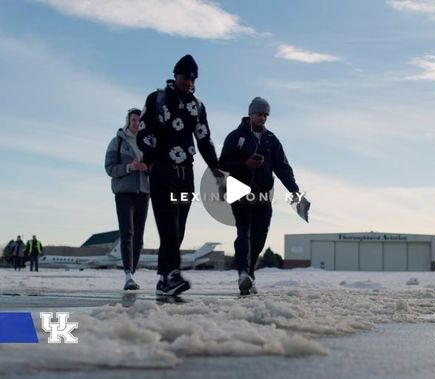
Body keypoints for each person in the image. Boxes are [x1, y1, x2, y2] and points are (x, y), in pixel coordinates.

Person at [137, 54, 221, 296]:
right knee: (168, 225)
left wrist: (215, 166)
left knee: (179, 226)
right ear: (176, 76)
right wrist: (153, 159)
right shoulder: (156, 99)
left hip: (186, 173)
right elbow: (143, 132)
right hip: (163, 171)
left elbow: (204, 137)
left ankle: (165, 278)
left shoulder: (197, 107)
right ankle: (172, 273)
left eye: (194, 79)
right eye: (186, 78)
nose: (190, 83)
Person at [219, 97, 300, 295]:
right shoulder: (235, 136)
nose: (262, 118)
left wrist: (293, 188)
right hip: (239, 191)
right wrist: (245, 164)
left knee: (259, 237)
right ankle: (242, 273)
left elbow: (282, 166)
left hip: (263, 194)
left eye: (265, 115)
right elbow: (223, 163)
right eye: (258, 114)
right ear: (250, 114)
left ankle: (250, 274)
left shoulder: (271, 140)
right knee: (243, 233)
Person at [105, 108, 150, 291]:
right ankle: (127, 274)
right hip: (124, 193)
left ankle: (132, 274)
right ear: (128, 121)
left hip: (144, 192)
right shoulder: (117, 142)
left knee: (139, 238)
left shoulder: (148, 143)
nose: (136, 123)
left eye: (139, 120)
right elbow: (109, 169)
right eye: (133, 120)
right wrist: (129, 167)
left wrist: (148, 167)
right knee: (127, 233)